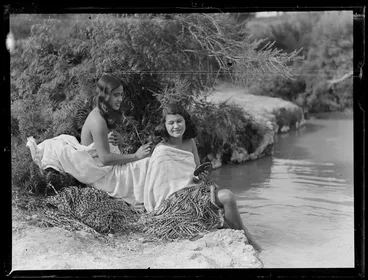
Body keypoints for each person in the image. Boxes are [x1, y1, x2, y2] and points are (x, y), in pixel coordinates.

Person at [152, 102, 262, 251]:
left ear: (185, 122)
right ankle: (249, 240)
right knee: (227, 197)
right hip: (176, 201)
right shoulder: (161, 150)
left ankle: (245, 238)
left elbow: (195, 173)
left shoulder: (190, 142)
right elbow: (161, 186)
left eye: (179, 121)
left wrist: (199, 177)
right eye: (171, 123)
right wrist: (188, 186)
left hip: (194, 192)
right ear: (164, 125)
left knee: (227, 198)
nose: (176, 126)